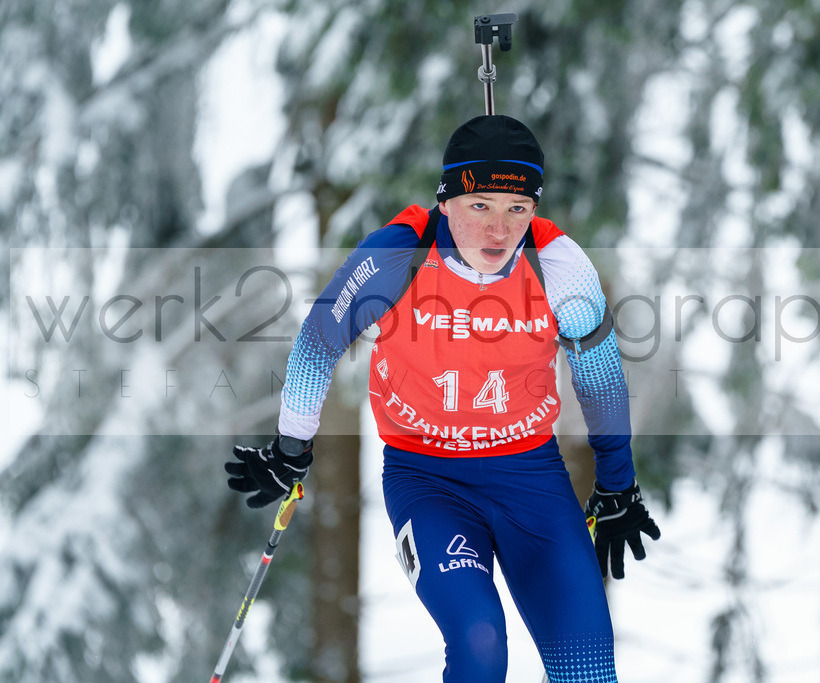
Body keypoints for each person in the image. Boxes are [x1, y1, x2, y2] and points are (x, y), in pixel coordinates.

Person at [226, 115, 661, 682]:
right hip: (428, 480)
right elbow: (318, 341)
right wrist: (290, 448)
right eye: (481, 205)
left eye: (517, 209)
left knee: (588, 666)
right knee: (480, 643)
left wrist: (617, 484)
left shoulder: (559, 267)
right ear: (448, 199)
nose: (499, 232)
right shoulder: (397, 255)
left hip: (531, 477)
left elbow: (600, 378)